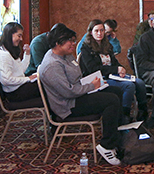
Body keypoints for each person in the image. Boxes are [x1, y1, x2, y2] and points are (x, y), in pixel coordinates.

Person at [39, 23, 122, 165]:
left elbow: (77, 77)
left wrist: (95, 84)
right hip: (68, 106)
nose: (73, 44)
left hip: (78, 94)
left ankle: (116, 136)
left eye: (73, 40)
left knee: (117, 91)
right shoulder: (52, 65)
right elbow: (68, 92)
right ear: (58, 43)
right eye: (70, 41)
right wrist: (92, 86)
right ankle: (106, 145)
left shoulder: (65, 55)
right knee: (111, 100)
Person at [79, 19, 148, 122]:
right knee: (129, 86)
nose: (99, 33)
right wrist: (116, 69)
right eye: (96, 31)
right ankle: (124, 115)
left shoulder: (107, 45)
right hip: (98, 79)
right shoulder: (86, 49)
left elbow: (114, 62)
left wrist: (121, 69)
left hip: (112, 75)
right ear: (90, 32)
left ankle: (143, 113)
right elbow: (93, 69)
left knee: (140, 83)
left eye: (102, 30)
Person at [0, 22, 41, 103]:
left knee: (46, 80)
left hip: (19, 87)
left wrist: (27, 54)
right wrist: (27, 79)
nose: (21, 39)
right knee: (46, 85)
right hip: (14, 92)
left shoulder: (10, 49)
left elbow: (20, 70)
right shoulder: (3, 55)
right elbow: (6, 80)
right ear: (10, 35)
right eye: (19, 35)